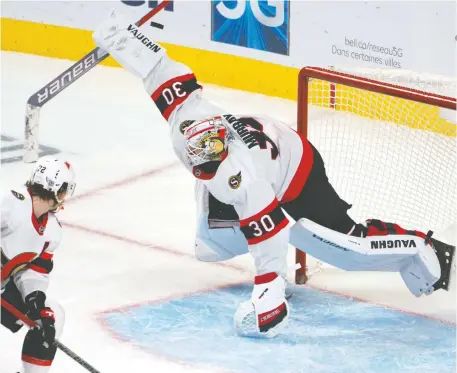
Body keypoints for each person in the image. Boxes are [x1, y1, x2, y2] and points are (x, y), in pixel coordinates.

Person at [92, 10, 455, 338]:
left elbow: (272, 238)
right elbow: (159, 68)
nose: (205, 168)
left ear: (220, 149)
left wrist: (269, 295)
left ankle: (422, 247)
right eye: (200, 160)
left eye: (211, 160)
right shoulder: (187, 118)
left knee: (344, 250)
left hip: (298, 172)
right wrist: (120, 34)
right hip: (269, 148)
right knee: (209, 246)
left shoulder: (242, 179)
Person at [1, 157, 76, 372]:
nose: (64, 197)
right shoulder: (10, 204)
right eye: (64, 191)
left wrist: (35, 299)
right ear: (54, 189)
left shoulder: (52, 231)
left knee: (52, 315)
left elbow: (35, 269)